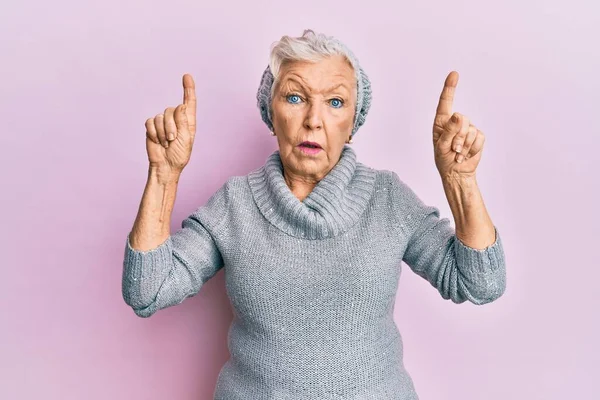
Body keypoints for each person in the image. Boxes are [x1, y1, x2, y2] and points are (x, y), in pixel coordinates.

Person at [122, 29, 506, 400]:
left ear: (353, 124)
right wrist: (163, 174)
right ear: (270, 113)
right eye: (294, 97)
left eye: (335, 102)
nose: (313, 120)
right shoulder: (234, 204)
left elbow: (480, 283)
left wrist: (460, 181)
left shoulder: (388, 200)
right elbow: (147, 291)